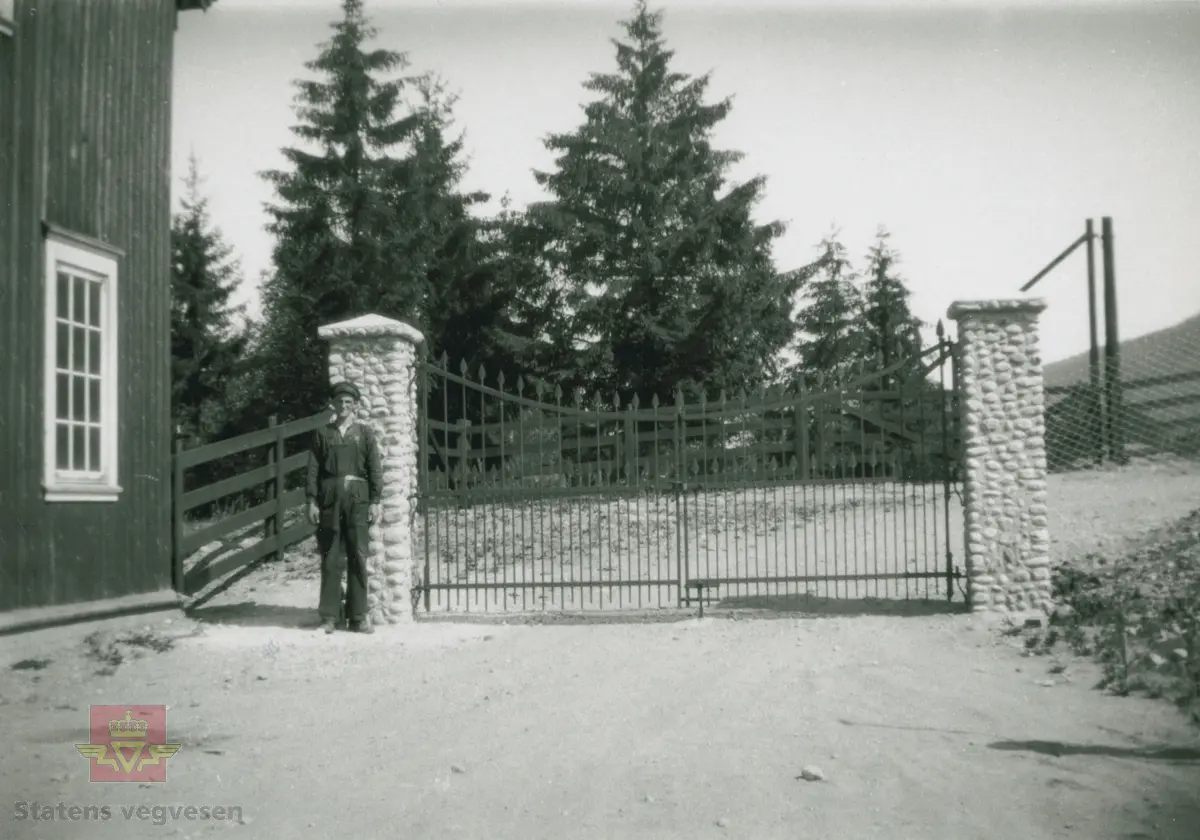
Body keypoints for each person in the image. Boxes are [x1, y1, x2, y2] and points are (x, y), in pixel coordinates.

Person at [305, 380, 383, 634]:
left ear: (356, 405)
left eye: (349, 402)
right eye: (340, 402)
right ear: (333, 405)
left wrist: (375, 501)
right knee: (330, 556)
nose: (344, 406)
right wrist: (312, 501)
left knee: (358, 555)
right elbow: (313, 469)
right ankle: (329, 616)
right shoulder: (322, 434)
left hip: (358, 499)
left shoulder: (365, 433)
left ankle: (358, 616)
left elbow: (375, 469)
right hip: (329, 497)